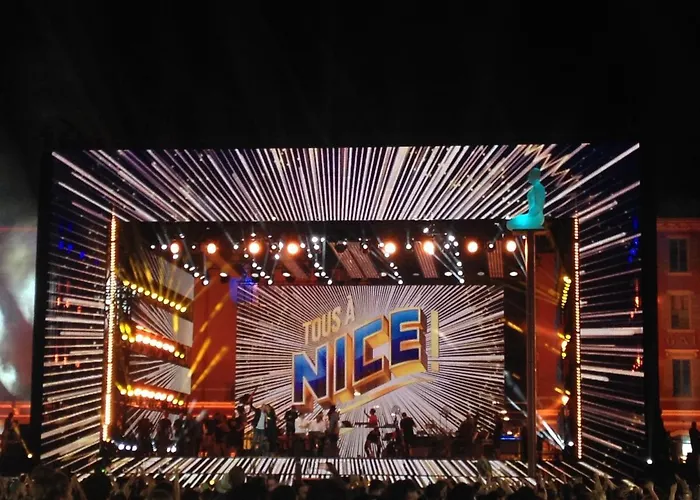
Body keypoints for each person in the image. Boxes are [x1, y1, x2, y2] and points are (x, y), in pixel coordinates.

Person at [506, 167, 546, 231]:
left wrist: (531, 215)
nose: (528, 177)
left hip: (536, 217)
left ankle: (531, 225)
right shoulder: (534, 188)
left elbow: (539, 205)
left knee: (511, 224)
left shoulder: (539, 188)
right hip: (531, 215)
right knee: (510, 223)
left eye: (530, 175)